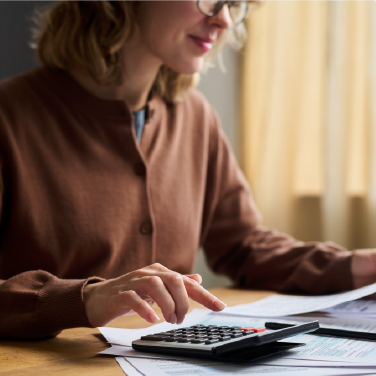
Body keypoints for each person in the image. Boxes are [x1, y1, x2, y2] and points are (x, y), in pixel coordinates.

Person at [0, 0, 376, 340]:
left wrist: (357, 267)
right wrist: (84, 299)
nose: (224, 20)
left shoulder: (195, 116)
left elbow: (243, 247)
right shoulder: (10, 116)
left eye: (233, 4)